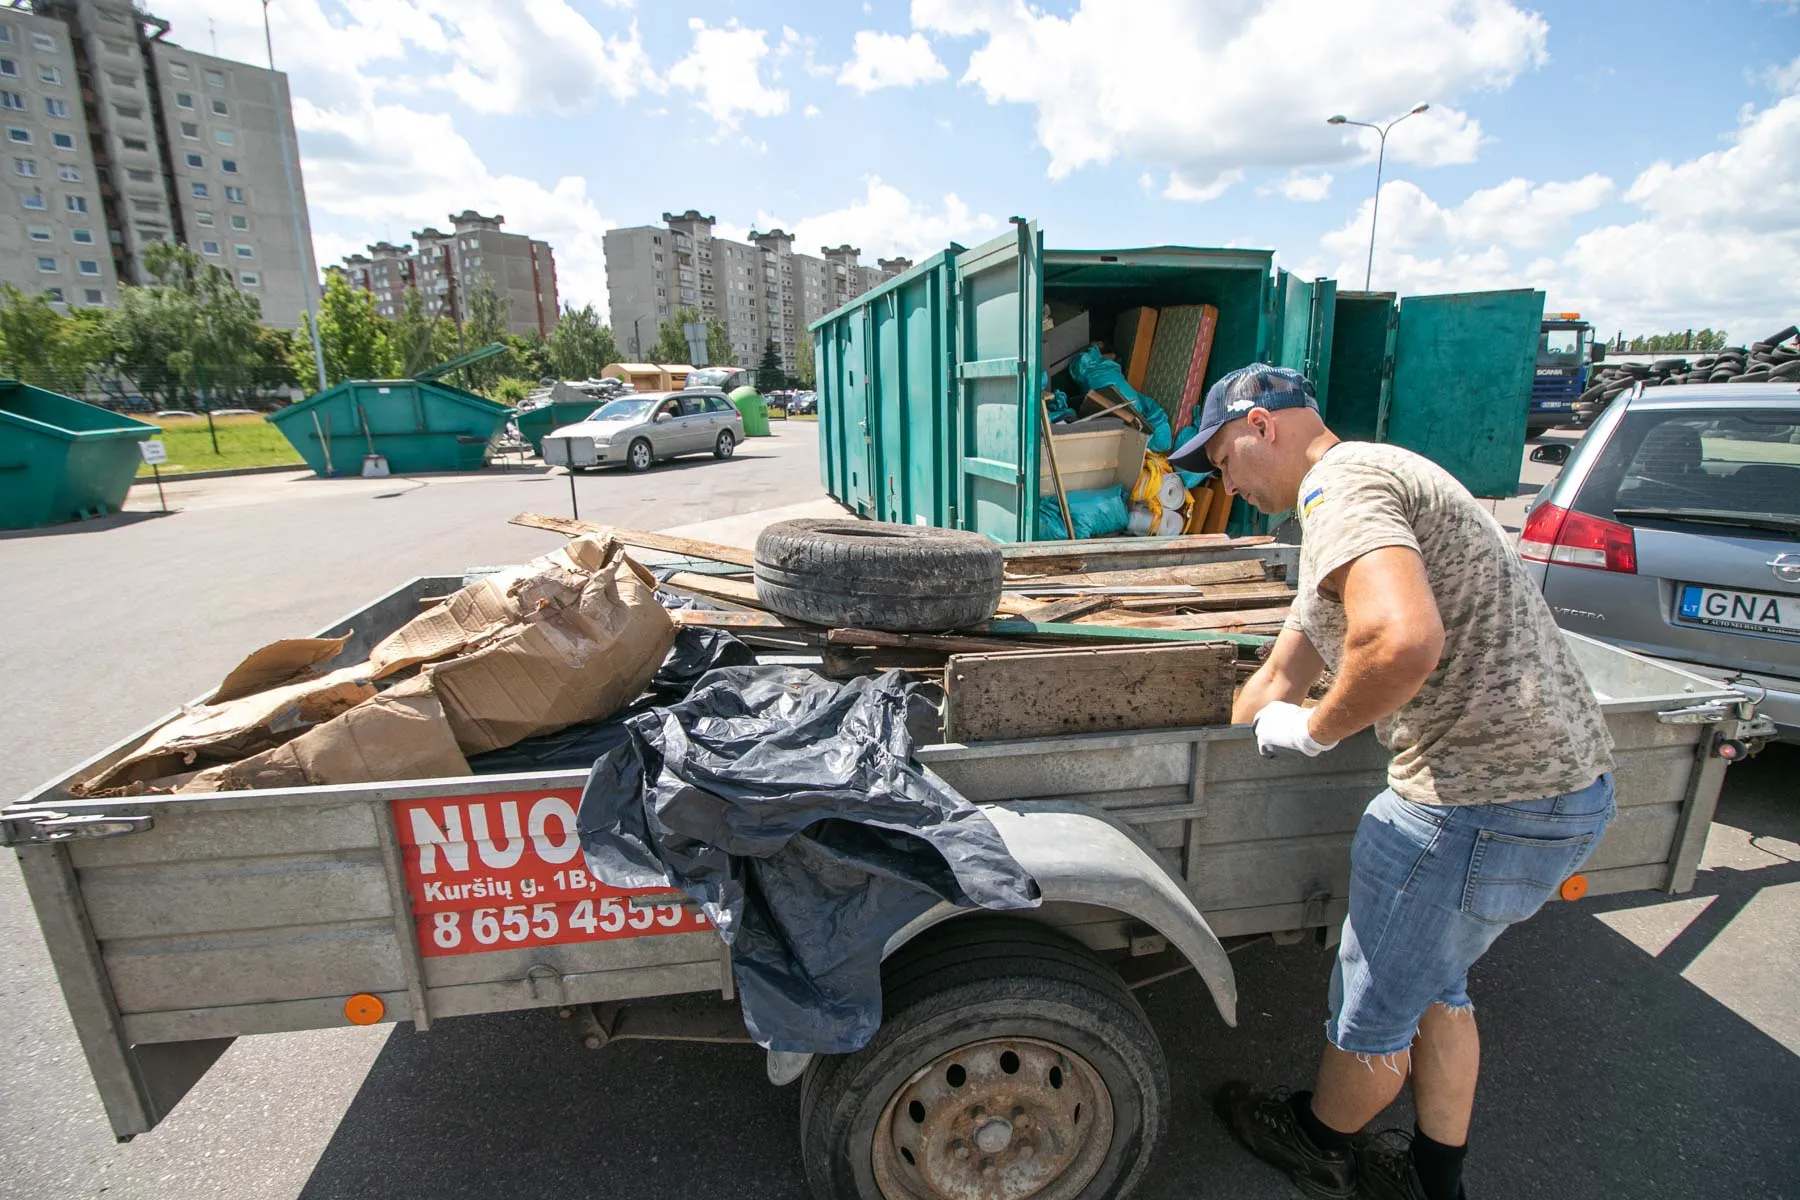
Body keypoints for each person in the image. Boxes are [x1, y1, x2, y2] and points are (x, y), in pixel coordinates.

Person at [1169, 365, 1616, 1200]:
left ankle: (1314, 1138)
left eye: (1223, 457)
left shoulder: (1341, 487)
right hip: (1556, 787)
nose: (1222, 482)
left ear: (1262, 426)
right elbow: (1275, 675)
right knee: (1436, 983)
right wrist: (1223, 746)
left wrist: (1313, 729)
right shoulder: (1364, 492)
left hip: (1476, 802)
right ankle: (1430, 1176)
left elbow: (1403, 641)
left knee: (1371, 1019)